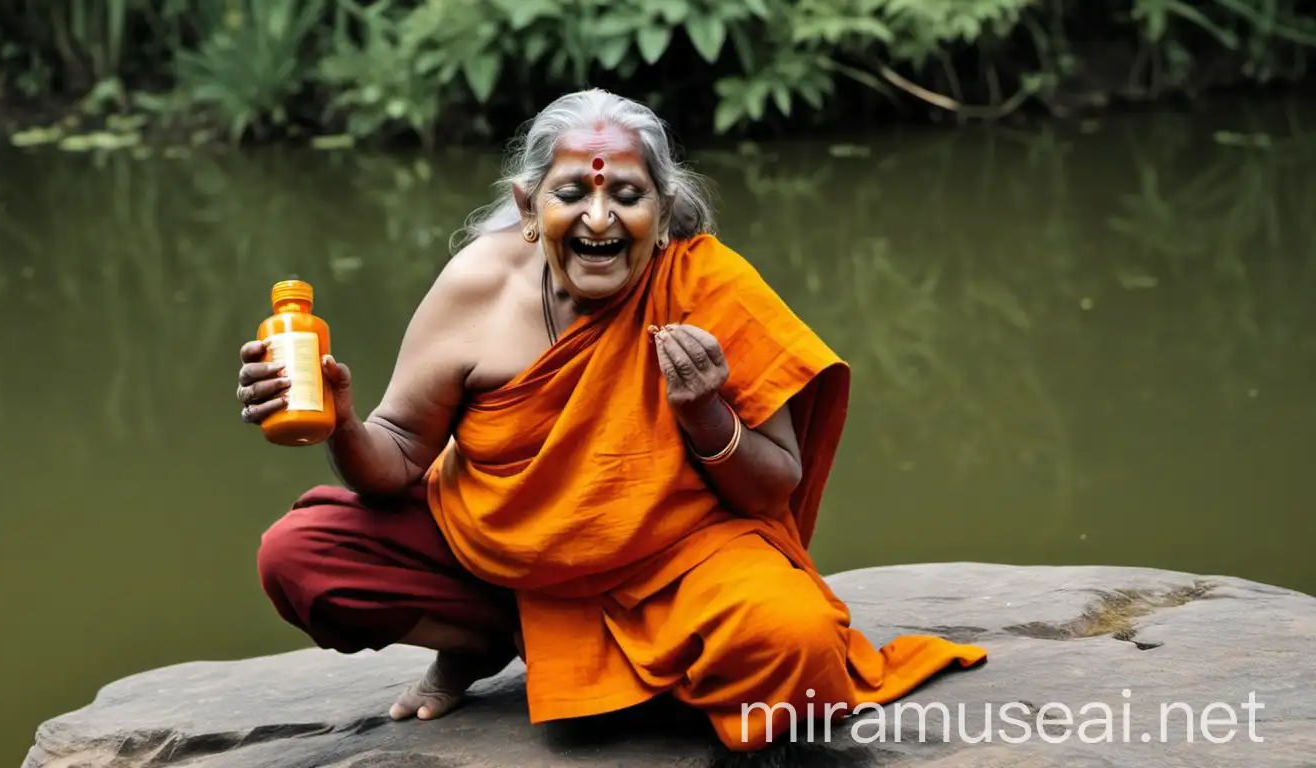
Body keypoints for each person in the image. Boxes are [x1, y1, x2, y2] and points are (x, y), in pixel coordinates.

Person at [240, 88, 986, 752]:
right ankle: (502, 639)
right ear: (529, 206)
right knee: (300, 557)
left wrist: (705, 416)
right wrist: (339, 420)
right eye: (573, 193)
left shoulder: (706, 284)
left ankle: (580, 657)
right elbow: (399, 455)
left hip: (676, 563)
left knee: (798, 647)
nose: (599, 219)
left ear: (662, 212)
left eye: (626, 195)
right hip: (501, 562)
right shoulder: (477, 283)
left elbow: (773, 489)